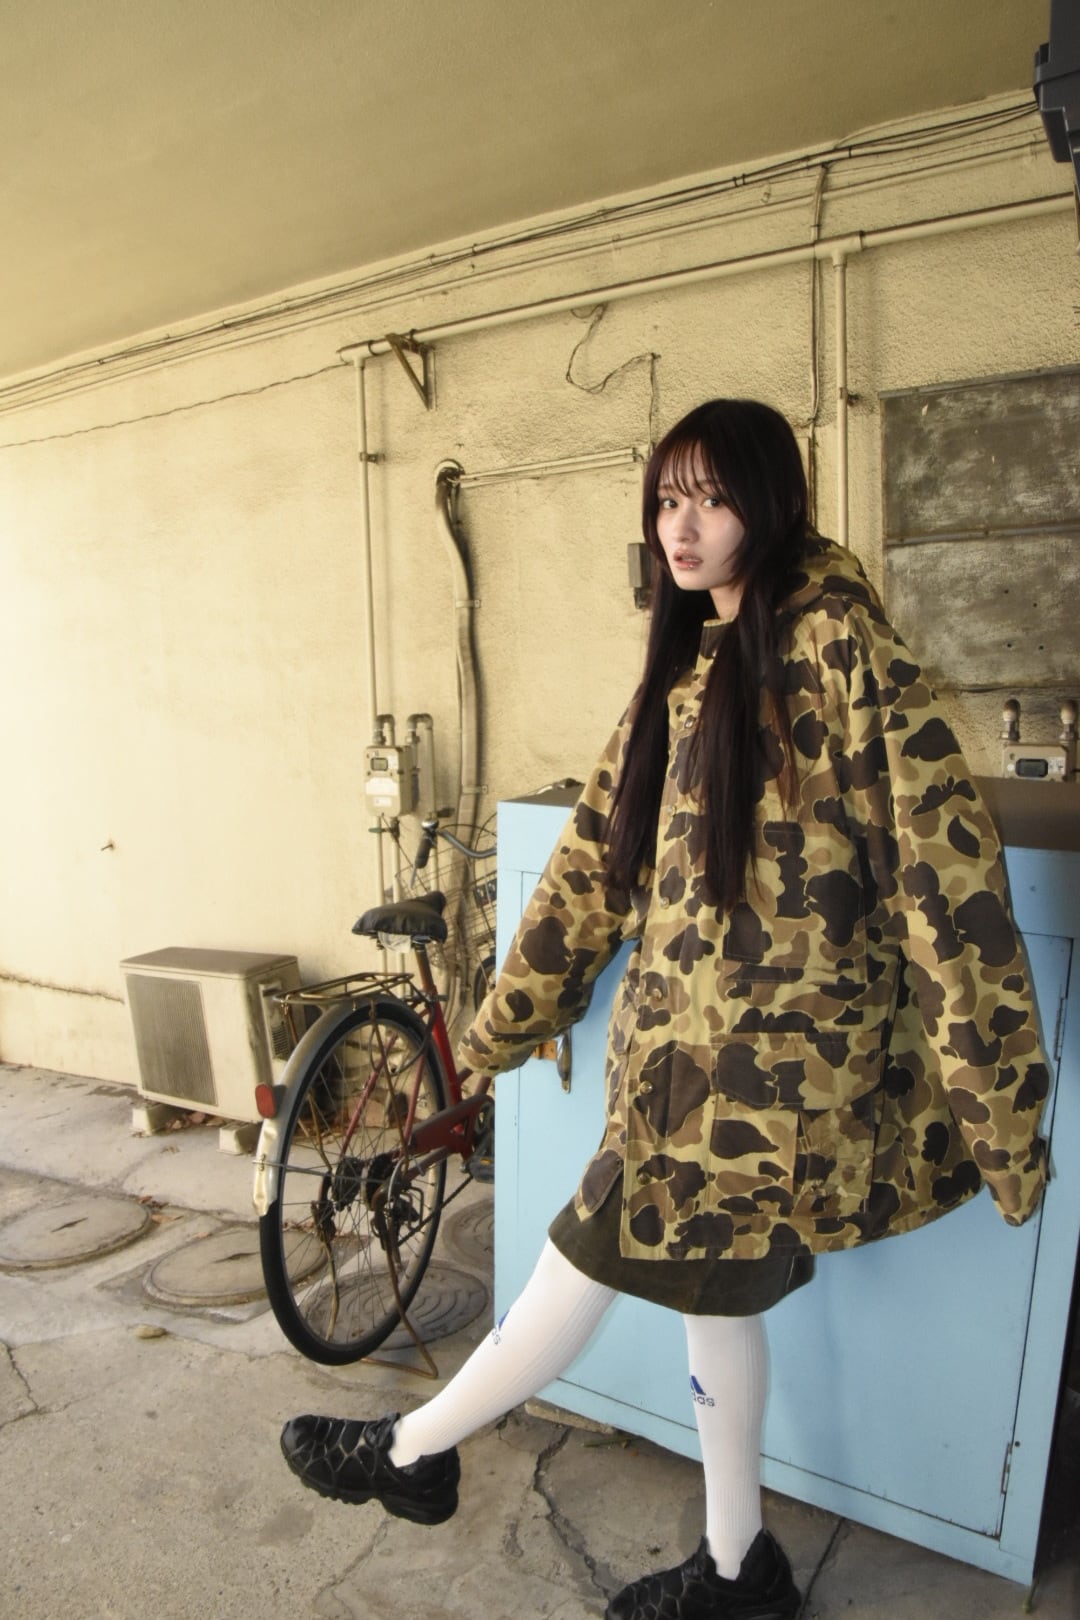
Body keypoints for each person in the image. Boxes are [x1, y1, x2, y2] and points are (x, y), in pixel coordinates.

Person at [280, 398, 1049, 1620]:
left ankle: (416, 1451)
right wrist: (499, 1024)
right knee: (710, 1298)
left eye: (711, 499)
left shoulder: (843, 654)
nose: (680, 528)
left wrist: (1002, 1114)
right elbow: (592, 867)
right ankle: (741, 1567)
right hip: (681, 1068)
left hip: (772, 1088)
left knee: (590, 1255)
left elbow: (946, 890)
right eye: (666, 501)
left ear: (771, 505)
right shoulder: (691, 675)